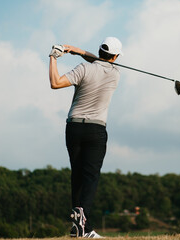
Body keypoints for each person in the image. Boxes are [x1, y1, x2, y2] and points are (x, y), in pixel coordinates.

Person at [49, 37, 123, 238]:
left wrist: (54, 57)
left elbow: (55, 83)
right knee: (91, 176)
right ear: (115, 57)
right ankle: (83, 217)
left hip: (73, 127)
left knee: (77, 174)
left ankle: (80, 228)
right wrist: (78, 50)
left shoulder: (83, 69)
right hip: (96, 130)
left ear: (99, 51)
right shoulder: (116, 74)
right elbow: (99, 62)